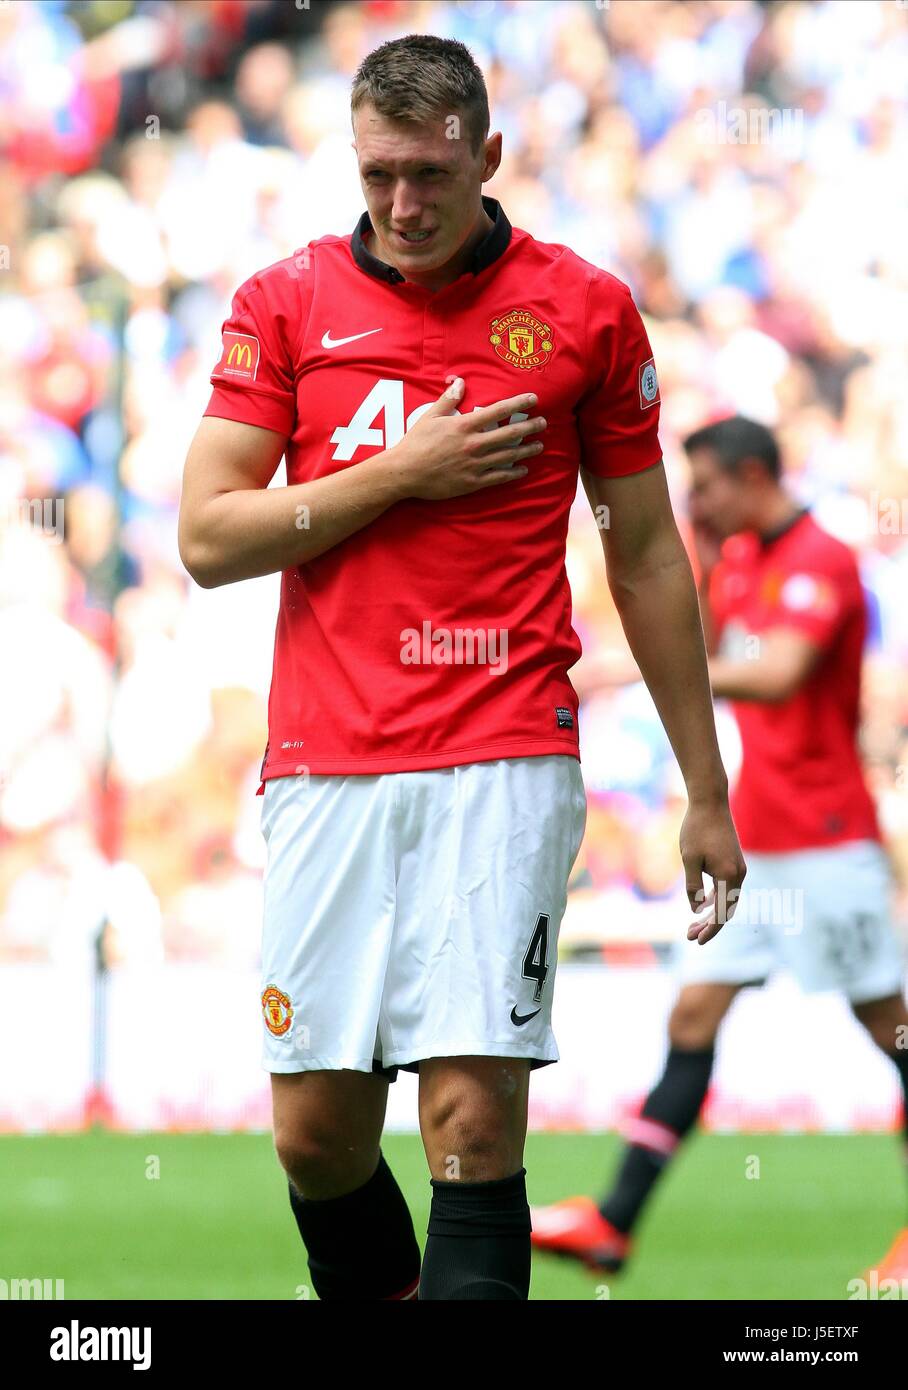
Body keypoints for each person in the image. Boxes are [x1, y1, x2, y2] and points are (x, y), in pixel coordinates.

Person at [177, 34, 744, 1302]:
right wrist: (401, 474)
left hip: (505, 749)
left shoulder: (583, 309)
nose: (403, 204)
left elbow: (646, 556)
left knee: (471, 1129)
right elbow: (208, 537)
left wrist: (703, 786)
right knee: (316, 1137)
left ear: (487, 155)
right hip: (327, 762)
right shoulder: (287, 300)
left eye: (430, 173)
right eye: (378, 173)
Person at [531, 415, 908, 1286]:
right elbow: (704, 643)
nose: (692, 501)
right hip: (758, 840)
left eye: (704, 486)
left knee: (890, 1026)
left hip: (823, 841)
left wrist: (631, 669)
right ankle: (612, 1226)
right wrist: (692, 548)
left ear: (750, 475)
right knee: (692, 1018)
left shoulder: (823, 558)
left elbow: (776, 674)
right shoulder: (739, 559)